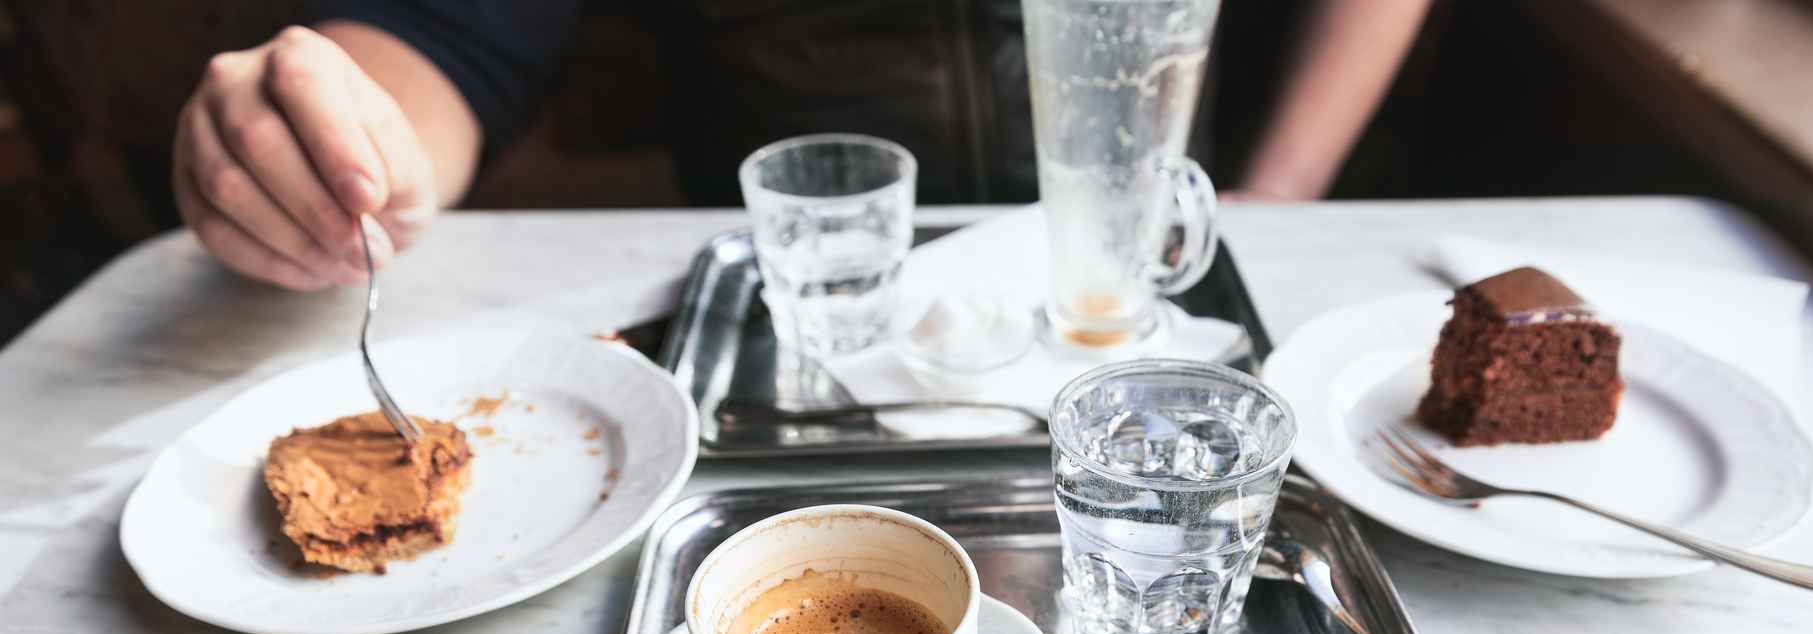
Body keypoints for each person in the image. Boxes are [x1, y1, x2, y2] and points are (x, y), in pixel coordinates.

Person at [171, 0, 1432, 292]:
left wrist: (1281, 190)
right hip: (799, 300)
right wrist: (344, 134)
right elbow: (447, 33)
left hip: (1130, 274)